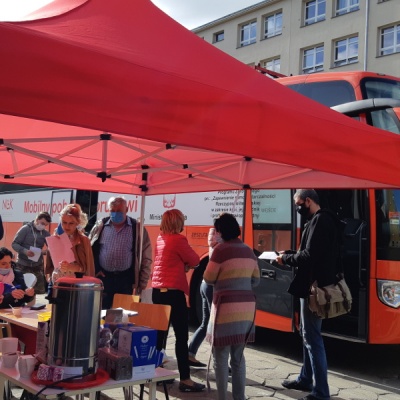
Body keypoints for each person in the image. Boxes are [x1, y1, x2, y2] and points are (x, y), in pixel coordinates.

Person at [276, 189, 343, 400]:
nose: (297, 208)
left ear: (308, 201)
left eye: (297, 203)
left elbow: (309, 255)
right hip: (315, 286)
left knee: (312, 338)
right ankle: (306, 378)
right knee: (308, 334)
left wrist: (285, 260)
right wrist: (289, 254)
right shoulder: (322, 219)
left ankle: (321, 392)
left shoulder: (320, 221)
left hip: (314, 289)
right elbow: (311, 252)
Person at [204, 213, 260, 400]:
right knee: (238, 357)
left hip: (225, 310)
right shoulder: (248, 250)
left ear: (221, 231)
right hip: (246, 311)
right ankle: (239, 397)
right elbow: (256, 279)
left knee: (220, 358)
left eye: (218, 230)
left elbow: (208, 278)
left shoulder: (220, 251)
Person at [152, 209, 205, 393]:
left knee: (160, 337)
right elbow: (195, 259)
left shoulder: (161, 239)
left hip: (157, 291)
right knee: (181, 337)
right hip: (173, 293)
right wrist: (185, 265)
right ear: (178, 223)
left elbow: (169, 261)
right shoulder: (178, 239)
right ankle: (185, 379)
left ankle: (156, 375)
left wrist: (181, 265)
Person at [89, 196, 152, 309]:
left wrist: (142, 282)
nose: (115, 214)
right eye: (112, 211)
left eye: (119, 211)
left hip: (125, 280)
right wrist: (95, 270)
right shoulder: (100, 226)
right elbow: (89, 250)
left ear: (126, 210)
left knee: (122, 315)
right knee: (101, 313)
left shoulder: (136, 228)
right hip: (104, 278)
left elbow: (146, 256)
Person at [187, 227, 221, 367]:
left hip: (205, 285)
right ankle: (218, 362)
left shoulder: (214, 240)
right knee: (215, 325)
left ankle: (190, 353)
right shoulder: (221, 245)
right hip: (213, 287)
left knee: (207, 323)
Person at [45, 204, 95, 282]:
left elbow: (87, 268)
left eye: (71, 223)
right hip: (56, 282)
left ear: (77, 223)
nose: (67, 226)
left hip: (75, 284)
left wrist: (70, 267)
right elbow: (50, 264)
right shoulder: (55, 237)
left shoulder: (83, 240)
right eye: (64, 222)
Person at [12, 211, 52, 294]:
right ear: (37, 219)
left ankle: (35, 306)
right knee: (22, 289)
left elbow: (52, 248)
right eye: (42, 223)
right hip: (23, 264)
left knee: (39, 291)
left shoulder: (45, 234)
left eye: (45, 225)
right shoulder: (25, 229)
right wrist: (25, 251)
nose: (43, 226)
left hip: (37, 265)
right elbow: (14, 244)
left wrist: (44, 252)